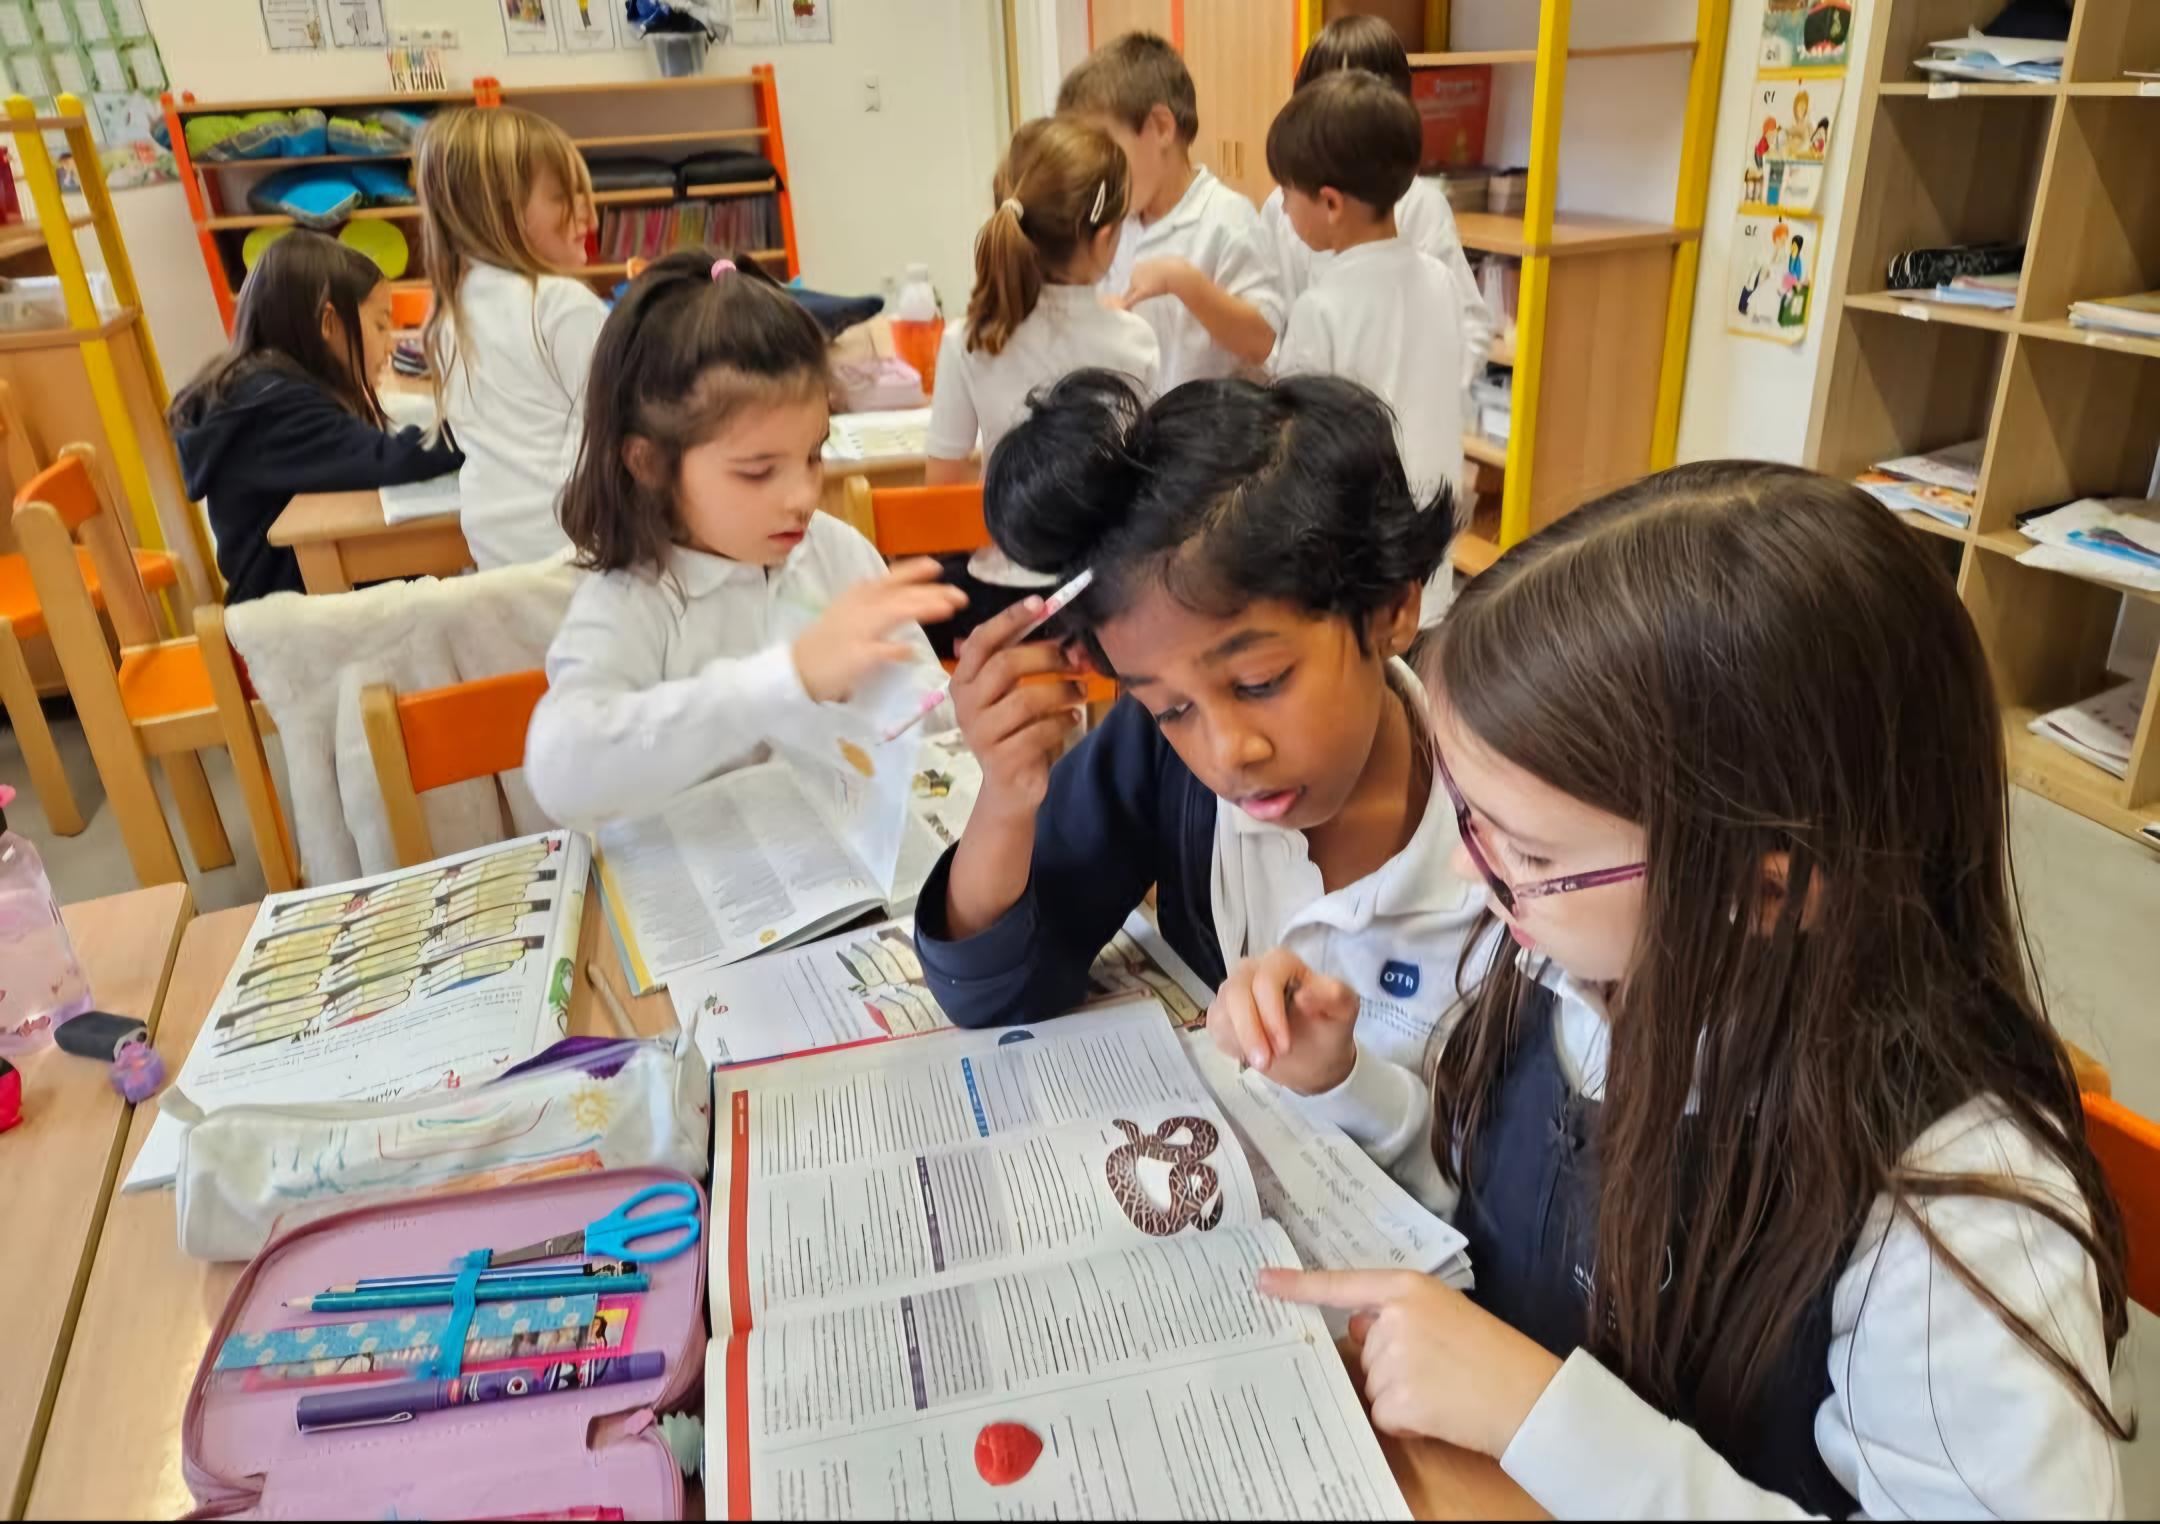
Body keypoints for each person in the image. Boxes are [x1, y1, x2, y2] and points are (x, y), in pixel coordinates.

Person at [1204, 462, 2130, 1518]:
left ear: (1765, 892)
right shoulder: (1569, 971)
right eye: (1470, 818)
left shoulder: (1957, 1223)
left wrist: (1547, 1418)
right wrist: (1345, 1084)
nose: (1471, 868)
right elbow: (1498, 1215)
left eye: (1528, 851)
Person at [913, 368, 1479, 1086]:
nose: (1227, 752)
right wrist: (1005, 797)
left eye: (1260, 683)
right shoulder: (1157, 754)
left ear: (1391, 610)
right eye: (1172, 708)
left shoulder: (1511, 830)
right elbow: (991, 988)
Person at [523, 252, 964, 830]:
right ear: (649, 463)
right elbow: (561, 771)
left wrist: (962, 701)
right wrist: (785, 680)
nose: (802, 495)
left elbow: (923, 715)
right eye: (758, 472)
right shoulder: (633, 600)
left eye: (813, 454)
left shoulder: (835, 551)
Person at [924, 113, 1159, 643]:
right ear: (1104, 238)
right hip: (1100, 604)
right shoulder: (1135, 342)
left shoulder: (968, 340)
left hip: (997, 604)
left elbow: (940, 494)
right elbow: (1147, 484)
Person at [171, 230, 462, 604]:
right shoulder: (271, 405)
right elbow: (386, 459)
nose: (389, 343)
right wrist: (476, 428)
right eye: (380, 325)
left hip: (296, 593)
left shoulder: (263, 386)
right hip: (290, 611)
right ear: (328, 323)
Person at [1268, 70, 1463, 621]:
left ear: (1330, 203)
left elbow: (1297, 445)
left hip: (1359, 562)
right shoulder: (1439, 280)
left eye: (1286, 194)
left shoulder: (1321, 308)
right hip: (1430, 549)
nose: (1281, 209)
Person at [1257, 14, 1492, 386]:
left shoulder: (1420, 206)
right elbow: (1268, 314)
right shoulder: (1284, 205)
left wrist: (1419, 383)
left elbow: (1469, 330)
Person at [416, 105, 603, 569]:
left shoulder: (449, 316)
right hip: (587, 559)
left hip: (500, 561)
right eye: (562, 197)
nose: (588, 213)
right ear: (500, 213)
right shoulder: (560, 303)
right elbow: (634, 436)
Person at [1056, 32, 1281, 388]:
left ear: (1161, 128)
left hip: (1213, 421)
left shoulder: (1227, 219)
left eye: (1105, 147)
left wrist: (1183, 281)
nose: (1095, 167)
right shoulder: (1111, 224)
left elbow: (1262, 342)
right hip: (1135, 419)